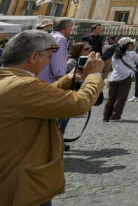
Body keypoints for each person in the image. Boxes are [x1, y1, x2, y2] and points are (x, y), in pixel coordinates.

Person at [0, 30, 106, 206]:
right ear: (34, 57)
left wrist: (71, 78)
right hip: (21, 183)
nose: (49, 61)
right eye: (48, 56)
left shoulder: (10, 80)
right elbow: (79, 103)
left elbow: (40, 97)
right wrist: (95, 76)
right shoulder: (25, 86)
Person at [104, 37, 138, 122]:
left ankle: (106, 116)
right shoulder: (131, 53)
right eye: (131, 44)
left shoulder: (115, 54)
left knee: (111, 98)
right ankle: (115, 116)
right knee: (121, 98)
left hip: (114, 77)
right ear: (128, 45)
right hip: (125, 77)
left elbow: (114, 66)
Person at [39, 18, 72, 85]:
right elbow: (57, 63)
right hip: (50, 81)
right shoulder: (61, 39)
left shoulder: (49, 36)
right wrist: (61, 81)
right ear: (66, 27)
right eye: (71, 27)